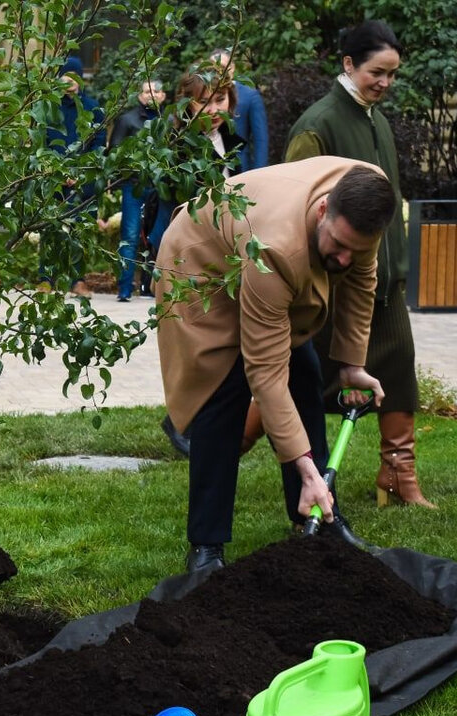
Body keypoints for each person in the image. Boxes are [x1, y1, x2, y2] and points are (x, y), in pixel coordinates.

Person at [155, 157, 396, 573]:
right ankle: (206, 546)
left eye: (353, 249)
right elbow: (264, 371)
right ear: (324, 210)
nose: (342, 259)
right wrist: (304, 465)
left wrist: (352, 365)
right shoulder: (276, 246)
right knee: (223, 390)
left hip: (256, 260)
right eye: (337, 245)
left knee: (305, 374)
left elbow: (361, 280)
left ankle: (315, 514)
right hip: (201, 269)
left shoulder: (367, 197)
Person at [284, 20, 435, 509]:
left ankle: (398, 475)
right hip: (333, 285)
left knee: (399, 372)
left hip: (384, 280)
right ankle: (227, 441)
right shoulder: (319, 123)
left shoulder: (378, 119)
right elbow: (295, 199)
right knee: (307, 382)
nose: (385, 83)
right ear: (349, 64)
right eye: (378, 72)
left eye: (392, 74)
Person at [153, 66, 246, 457]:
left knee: (222, 337)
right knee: (192, 336)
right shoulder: (176, 143)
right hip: (185, 247)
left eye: (220, 99)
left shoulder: (231, 138)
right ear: (186, 102)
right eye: (203, 99)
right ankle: (181, 420)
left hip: (224, 246)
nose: (212, 107)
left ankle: (196, 420)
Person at [43, 55, 106, 296]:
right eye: (65, 75)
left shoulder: (92, 108)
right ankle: (46, 279)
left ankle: (77, 280)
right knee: (50, 226)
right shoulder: (49, 107)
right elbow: (45, 142)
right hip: (54, 178)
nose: (70, 80)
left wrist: (81, 172)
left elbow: (99, 143)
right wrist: (58, 172)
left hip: (84, 180)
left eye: (75, 76)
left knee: (80, 230)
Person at [105, 78, 165, 301]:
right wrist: (117, 180)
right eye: (146, 91)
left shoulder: (167, 121)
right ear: (139, 95)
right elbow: (114, 153)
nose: (151, 95)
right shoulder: (127, 120)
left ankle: (150, 286)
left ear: (163, 96)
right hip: (134, 185)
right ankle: (125, 287)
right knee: (130, 235)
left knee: (156, 235)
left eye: (156, 91)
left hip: (160, 185)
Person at [210, 48, 269, 172]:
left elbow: (260, 140)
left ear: (232, 67)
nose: (219, 72)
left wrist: (260, 172)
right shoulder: (204, 96)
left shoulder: (250, 96)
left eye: (223, 67)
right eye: (214, 68)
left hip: (240, 169)